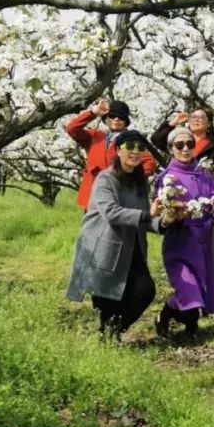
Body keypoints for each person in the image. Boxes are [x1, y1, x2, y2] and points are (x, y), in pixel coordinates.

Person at [65, 130, 157, 339]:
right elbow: (111, 213)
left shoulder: (140, 182)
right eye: (130, 146)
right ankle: (109, 338)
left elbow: (145, 217)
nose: (135, 152)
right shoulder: (106, 179)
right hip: (104, 246)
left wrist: (165, 222)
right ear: (117, 150)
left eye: (140, 148)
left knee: (144, 291)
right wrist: (147, 215)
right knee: (109, 301)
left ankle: (109, 334)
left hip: (132, 245)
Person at [152, 126, 214, 337]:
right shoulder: (167, 178)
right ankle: (166, 314)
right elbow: (159, 208)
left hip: (204, 241)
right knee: (188, 288)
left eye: (189, 144)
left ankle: (190, 327)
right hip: (181, 241)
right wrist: (172, 214)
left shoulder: (204, 174)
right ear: (170, 149)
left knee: (201, 286)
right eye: (179, 145)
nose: (185, 149)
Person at [65, 98, 156, 210]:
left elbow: (149, 163)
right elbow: (72, 129)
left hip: (117, 193)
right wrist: (93, 113)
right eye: (112, 115)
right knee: (92, 221)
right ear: (106, 118)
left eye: (121, 117)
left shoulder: (131, 141)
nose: (116, 119)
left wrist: (129, 177)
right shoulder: (94, 136)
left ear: (126, 121)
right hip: (93, 192)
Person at [151, 105, 214, 186]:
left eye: (201, 117)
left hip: (198, 188)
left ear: (209, 123)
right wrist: (174, 122)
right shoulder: (179, 142)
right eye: (193, 117)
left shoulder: (213, 147)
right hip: (175, 186)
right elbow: (156, 139)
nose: (196, 119)